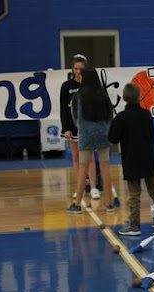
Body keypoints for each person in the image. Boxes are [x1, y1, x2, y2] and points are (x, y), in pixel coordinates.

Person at [108, 84, 154, 236]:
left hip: (132, 159)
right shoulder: (146, 114)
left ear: (124, 98)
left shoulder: (121, 117)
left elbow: (112, 138)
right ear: (139, 97)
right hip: (149, 157)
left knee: (134, 194)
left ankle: (134, 225)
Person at [66, 66, 116, 214]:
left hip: (85, 135)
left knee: (82, 169)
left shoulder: (78, 97)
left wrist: (83, 128)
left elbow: (75, 118)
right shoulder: (104, 96)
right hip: (102, 134)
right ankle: (110, 204)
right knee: (105, 168)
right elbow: (110, 116)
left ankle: (77, 205)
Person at [60, 54, 100, 200]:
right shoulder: (66, 86)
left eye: (81, 69)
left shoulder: (91, 85)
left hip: (87, 126)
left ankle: (94, 188)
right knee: (76, 157)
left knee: (88, 157)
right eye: (76, 68)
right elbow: (63, 109)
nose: (78, 71)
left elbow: (96, 107)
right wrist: (66, 128)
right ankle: (80, 188)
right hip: (72, 127)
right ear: (72, 69)